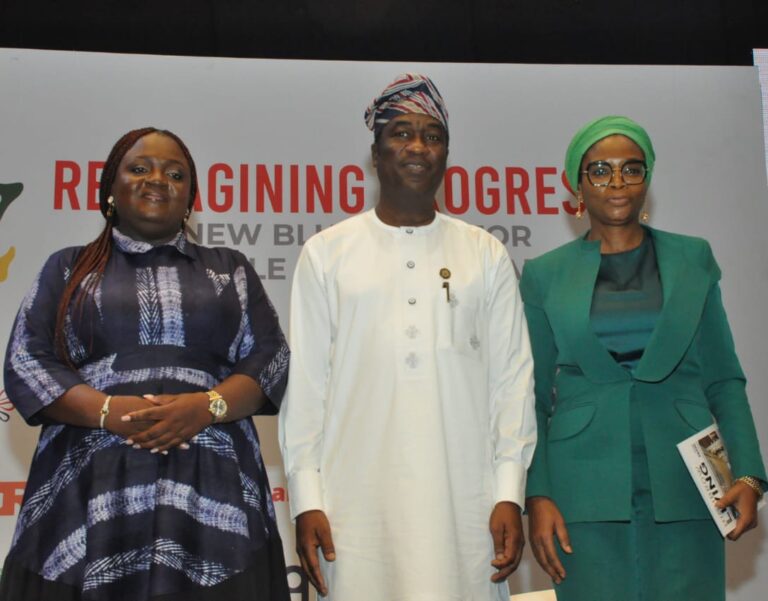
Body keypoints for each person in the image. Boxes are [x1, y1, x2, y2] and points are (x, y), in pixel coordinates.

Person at [1, 128, 291, 601]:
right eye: (139, 168)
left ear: (190, 198)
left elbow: (272, 358)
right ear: (109, 190)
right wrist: (108, 412)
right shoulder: (67, 268)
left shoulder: (230, 267)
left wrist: (206, 407)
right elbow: (27, 360)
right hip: (89, 481)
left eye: (175, 174)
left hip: (212, 478)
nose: (157, 179)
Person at [279, 73, 537, 600]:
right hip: (355, 509)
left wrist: (509, 493)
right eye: (400, 133)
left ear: (446, 155)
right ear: (375, 153)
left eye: (432, 135)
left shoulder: (483, 254)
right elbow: (305, 385)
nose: (417, 147)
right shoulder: (328, 254)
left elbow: (512, 382)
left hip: (466, 508)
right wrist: (307, 499)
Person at [521, 115, 767, 601]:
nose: (617, 182)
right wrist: (537, 494)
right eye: (600, 170)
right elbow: (532, 398)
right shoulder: (544, 275)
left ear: (647, 178)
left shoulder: (693, 258)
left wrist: (750, 474)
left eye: (631, 169)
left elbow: (723, 379)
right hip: (582, 490)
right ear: (576, 182)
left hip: (689, 485)